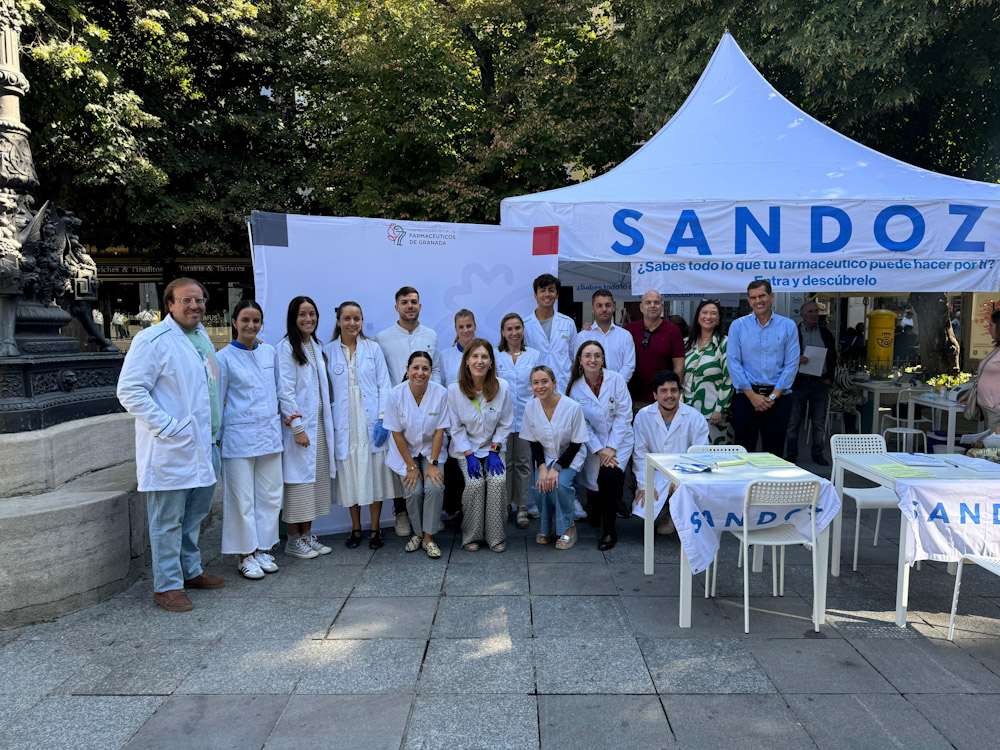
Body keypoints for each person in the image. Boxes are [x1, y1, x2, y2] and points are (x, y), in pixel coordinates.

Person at [116, 277, 225, 612]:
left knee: (195, 515)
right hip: (173, 446)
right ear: (170, 304)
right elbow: (130, 391)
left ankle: (190, 571)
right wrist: (168, 426)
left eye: (200, 300)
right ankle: (166, 586)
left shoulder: (200, 335)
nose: (195, 306)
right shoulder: (152, 339)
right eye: (186, 300)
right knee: (167, 519)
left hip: (205, 444)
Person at [216, 300, 283, 580]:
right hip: (238, 438)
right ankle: (245, 554)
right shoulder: (223, 358)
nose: (251, 326)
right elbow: (217, 400)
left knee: (270, 496)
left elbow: (279, 390)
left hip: (269, 436)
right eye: (245, 320)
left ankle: (264, 547)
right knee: (241, 499)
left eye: (256, 321)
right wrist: (216, 436)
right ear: (234, 323)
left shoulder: (269, 352)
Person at [325, 301, 398, 550]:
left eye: (357, 318)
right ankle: (356, 529)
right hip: (344, 424)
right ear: (338, 321)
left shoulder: (373, 348)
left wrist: (382, 418)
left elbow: (384, 385)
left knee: (374, 475)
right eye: (347, 318)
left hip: (370, 424)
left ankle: (375, 529)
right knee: (350, 477)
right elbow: (327, 394)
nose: (352, 323)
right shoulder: (328, 351)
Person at [375, 286, 441, 537]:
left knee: (430, 464)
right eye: (405, 302)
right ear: (397, 307)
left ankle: (428, 520)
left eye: (414, 302)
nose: (410, 306)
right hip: (398, 409)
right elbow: (382, 375)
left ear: (420, 306)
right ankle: (401, 512)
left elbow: (436, 372)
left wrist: (437, 400)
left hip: (428, 407)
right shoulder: (383, 337)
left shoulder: (431, 335)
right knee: (403, 466)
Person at [277, 296, 336, 560]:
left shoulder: (316, 345)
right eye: (302, 314)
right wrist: (297, 426)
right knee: (298, 484)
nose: (308, 319)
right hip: (300, 429)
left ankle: (306, 536)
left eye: (312, 314)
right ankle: (292, 539)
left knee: (314, 483)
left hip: (319, 427)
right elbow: (285, 391)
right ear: (293, 317)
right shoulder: (286, 348)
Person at [447, 338, 514, 552]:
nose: (479, 361)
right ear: (466, 361)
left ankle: (495, 536)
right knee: (475, 485)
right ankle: (471, 536)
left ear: (491, 362)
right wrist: (468, 455)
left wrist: (495, 450)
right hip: (466, 450)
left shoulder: (502, 387)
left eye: (484, 357)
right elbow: (455, 428)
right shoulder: (454, 390)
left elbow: (506, 423)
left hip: (493, 449)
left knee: (497, 481)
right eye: (474, 356)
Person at [567, 341, 634, 550]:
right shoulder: (575, 388)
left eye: (597, 355)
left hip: (620, 441)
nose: (592, 360)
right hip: (593, 443)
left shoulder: (617, 380)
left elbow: (624, 416)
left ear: (603, 359)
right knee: (596, 482)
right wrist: (598, 448)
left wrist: (612, 447)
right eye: (587, 355)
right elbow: (581, 423)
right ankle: (595, 507)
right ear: (580, 360)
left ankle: (609, 531)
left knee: (609, 477)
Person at [385, 351, 449, 558]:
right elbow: (396, 433)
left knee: (435, 486)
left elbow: (440, 430)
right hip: (405, 452)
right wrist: (411, 466)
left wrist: (433, 463)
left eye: (425, 368)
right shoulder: (395, 394)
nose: (420, 373)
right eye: (416, 368)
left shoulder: (440, 393)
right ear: (407, 370)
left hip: (432, 450)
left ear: (431, 372)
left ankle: (428, 538)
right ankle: (418, 533)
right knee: (413, 491)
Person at [726, 280, 799, 456]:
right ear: (749, 301)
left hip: (778, 400)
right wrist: (752, 396)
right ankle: (745, 485)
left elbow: (792, 364)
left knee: (774, 454)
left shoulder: (788, 326)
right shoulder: (738, 326)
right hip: (746, 398)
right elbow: (733, 363)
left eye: (762, 296)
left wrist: (773, 396)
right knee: (743, 452)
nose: (758, 301)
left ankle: (771, 485)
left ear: (771, 297)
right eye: (753, 298)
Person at [632, 370, 709, 535]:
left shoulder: (695, 417)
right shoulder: (643, 416)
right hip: (656, 472)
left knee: (682, 493)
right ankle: (666, 509)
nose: (670, 395)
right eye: (663, 391)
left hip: (685, 472)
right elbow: (639, 454)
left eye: (674, 390)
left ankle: (674, 515)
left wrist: (681, 479)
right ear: (655, 395)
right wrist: (645, 485)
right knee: (643, 508)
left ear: (680, 392)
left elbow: (701, 456)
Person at [521, 365, 589, 550]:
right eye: (535, 383)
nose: (540, 386)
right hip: (545, 455)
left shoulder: (572, 407)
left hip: (570, 455)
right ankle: (545, 526)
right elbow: (534, 442)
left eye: (545, 381)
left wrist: (556, 468)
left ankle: (568, 527)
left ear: (554, 383)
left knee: (561, 484)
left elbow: (576, 443)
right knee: (539, 484)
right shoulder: (530, 407)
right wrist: (543, 468)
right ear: (531, 386)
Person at [496, 312, 541, 528]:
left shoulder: (534, 355)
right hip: (502, 420)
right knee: (505, 464)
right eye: (509, 329)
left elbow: (540, 386)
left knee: (524, 464)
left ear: (523, 330)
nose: (514, 333)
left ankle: (522, 507)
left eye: (517, 328)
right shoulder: (496, 356)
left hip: (526, 418)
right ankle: (505, 504)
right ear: (503, 333)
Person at [785, 300, 837, 465]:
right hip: (799, 383)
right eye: (810, 312)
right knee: (793, 421)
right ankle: (791, 454)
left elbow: (832, 356)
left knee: (818, 422)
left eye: (816, 311)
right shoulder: (794, 332)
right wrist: (795, 358)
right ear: (802, 315)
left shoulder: (825, 332)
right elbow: (782, 354)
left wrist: (830, 377)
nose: (814, 315)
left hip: (819, 383)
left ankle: (818, 454)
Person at [684, 299, 734, 445]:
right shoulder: (686, 343)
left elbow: (729, 378)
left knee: (714, 456)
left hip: (713, 414)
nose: (708, 317)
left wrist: (720, 408)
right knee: (690, 454)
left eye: (713, 314)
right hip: (688, 411)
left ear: (718, 319)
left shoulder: (725, 343)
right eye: (704, 313)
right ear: (698, 317)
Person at [624, 290, 685, 408]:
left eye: (656, 302)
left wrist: (672, 394)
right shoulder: (628, 330)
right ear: (641, 307)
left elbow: (679, 367)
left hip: (662, 400)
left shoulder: (673, 331)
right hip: (633, 400)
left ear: (662, 307)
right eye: (648, 302)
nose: (652, 306)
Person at [521, 274, 577, 392]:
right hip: (537, 389)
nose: (547, 294)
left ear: (556, 295)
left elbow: (574, 357)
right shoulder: (524, 325)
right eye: (542, 290)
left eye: (551, 290)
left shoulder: (568, 323)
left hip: (563, 386)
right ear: (536, 296)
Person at [573, 289, 635, 382]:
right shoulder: (583, 336)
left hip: (618, 391)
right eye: (599, 306)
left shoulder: (625, 336)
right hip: (590, 391)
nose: (604, 309)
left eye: (608, 305)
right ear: (593, 309)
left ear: (613, 307)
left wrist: (615, 386)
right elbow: (579, 365)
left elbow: (628, 367)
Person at [960, 309, 1000, 435]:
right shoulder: (997, 349)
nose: (988, 329)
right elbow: (984, 375)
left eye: (991, 325)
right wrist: (970, 392)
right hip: (987, 407)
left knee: (994, 448)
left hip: (996, 408)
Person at [440, 309, 476, 385]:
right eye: (461, 327)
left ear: (475, 327)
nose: (465, 330)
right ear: (456, 329)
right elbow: (441, 386)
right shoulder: (445, 355)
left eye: (469, 326)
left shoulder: (485, 353)